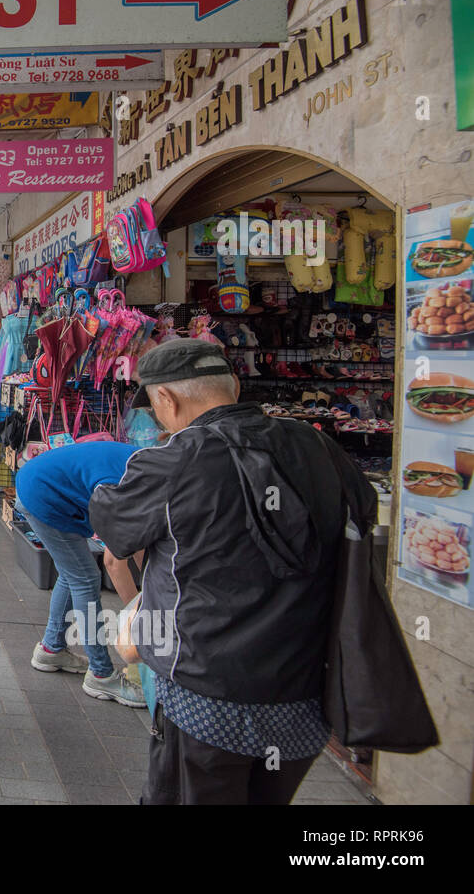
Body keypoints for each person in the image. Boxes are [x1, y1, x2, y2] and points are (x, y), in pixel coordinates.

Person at [89, 338, 370, 805]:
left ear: (166, 399)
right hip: (302, 694)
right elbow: (361, 513)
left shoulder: (171, 461)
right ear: (235, 385)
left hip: (206, 698)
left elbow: (115, 527)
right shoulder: (319, 446)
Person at [14, 441, 146, 708]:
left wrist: (150, 585)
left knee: (72, 571)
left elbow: (141, 546)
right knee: (86, 577)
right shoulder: (123, 486)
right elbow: (113, 562)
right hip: (41, 494)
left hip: (38, 484)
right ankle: (101, 674)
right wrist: (141, 614)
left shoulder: (145, 466)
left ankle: (51, 650)